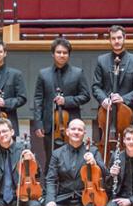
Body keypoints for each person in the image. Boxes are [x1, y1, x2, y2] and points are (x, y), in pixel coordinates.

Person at [41, 118, 106, 206]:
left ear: (84, 133)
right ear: (68, 132)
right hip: (64, 199)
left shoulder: (93, 150)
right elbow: (50, 179)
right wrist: (50, 200)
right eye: (74, 129)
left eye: (80, 129)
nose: (76, 132)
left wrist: (95, 164)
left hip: (86, 199)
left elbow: (105, 173)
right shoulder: (57, 154)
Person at [33, 38, 91, 171]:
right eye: (58, 52)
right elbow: (38, 99)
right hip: (50, 125)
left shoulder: (78, 73)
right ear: (53, 54)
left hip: (71, 125)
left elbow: (85, 96)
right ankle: (49, 189)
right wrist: (38, 123)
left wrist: (67, 101)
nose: (62, 55)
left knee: (72, 160)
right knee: (51, 158)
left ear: (69, 55)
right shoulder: (43, 74)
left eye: (65, 52)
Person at [92, 26, 133, 163]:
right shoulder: (101, 60)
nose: (116, 41)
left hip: (127, 116)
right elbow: (96, 86)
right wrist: (103, 99)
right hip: (106, 115)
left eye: (119, 38)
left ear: (125, 38)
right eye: (113, 38)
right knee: (104, 151)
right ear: (109, 40)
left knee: (129, 153)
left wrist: (124, 99)